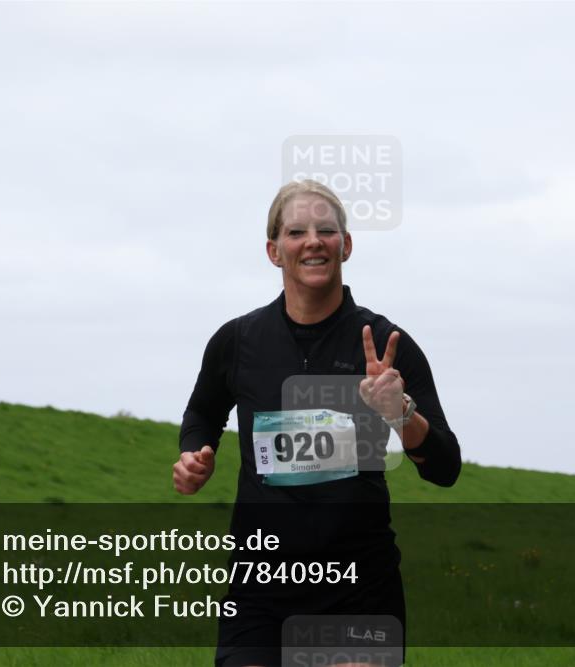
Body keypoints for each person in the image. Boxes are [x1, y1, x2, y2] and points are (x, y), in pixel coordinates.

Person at [173, 179, 461, 667]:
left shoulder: (387, 344)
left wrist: (401, 414)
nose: (312, 241)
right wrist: (194, 454)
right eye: (296, 231)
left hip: (358, 591)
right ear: (274, 250)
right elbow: (203, 411)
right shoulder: (237, 341)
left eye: (326, 230)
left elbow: (444, 466)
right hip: (259, 590)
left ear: (345, 245)